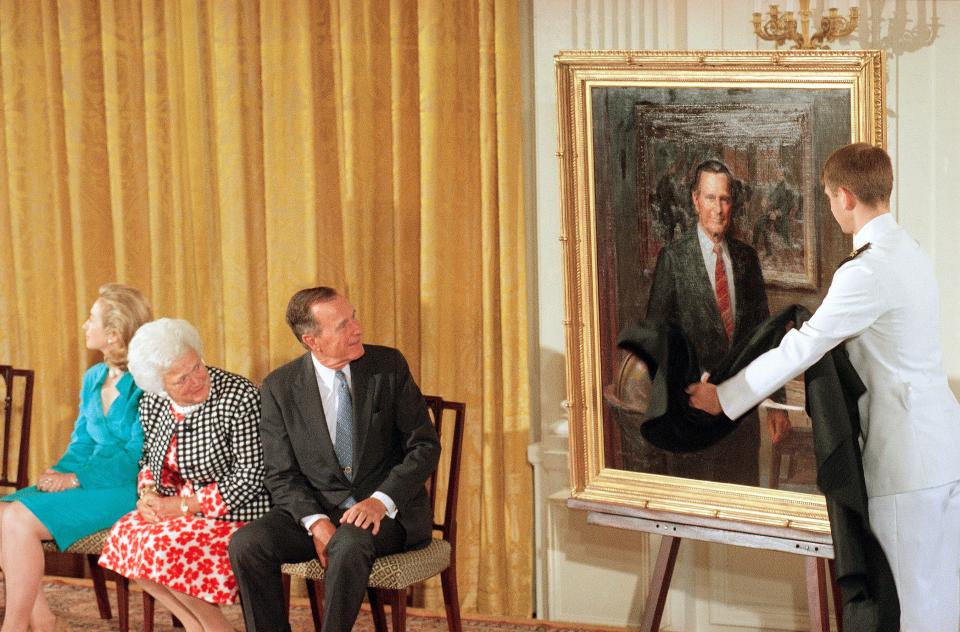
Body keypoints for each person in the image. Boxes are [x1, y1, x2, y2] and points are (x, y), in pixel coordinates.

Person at [688, 143, 960, 631]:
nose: (833, 209)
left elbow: (802, 351)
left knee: (909, 613)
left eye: (831, 199)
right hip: (943, 450)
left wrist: (723, 397)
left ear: (846, 195)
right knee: (942, 606)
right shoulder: (912, 252)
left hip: (904, 466)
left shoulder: (866, 271)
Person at [228, 286, 441, 632]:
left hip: (387, 514)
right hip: (321, 509)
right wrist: (315, 522)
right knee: (247, 544)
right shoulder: (279, 387)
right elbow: (280, 473)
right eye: (343, 325)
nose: (357, 328)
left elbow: (424, 446)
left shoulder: (387, 366)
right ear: (312, 340)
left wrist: (379, 501)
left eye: (353, 316)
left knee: (349, 541)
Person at [98, 318, 270, 632]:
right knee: (127, 533)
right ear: (160, 384)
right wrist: (148, 493)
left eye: (197, 367)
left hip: (238, 512)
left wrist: (182, 506)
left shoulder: (239, 397)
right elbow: (150, 458)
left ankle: (214, 627)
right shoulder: (153, 401)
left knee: (162, 547)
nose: (195, 380)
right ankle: (197, 625)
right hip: (183, 509)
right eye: (180, 379)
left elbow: (251, 476)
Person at [0, 283, 152, 632]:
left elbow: (135, 456)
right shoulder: (93, 377)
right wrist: (59, 471)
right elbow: (82, 440)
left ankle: (15, 625)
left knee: (20, 520)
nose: (85, 325)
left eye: (91, 318)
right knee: (2, 512)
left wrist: (75, 479)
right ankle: (43, 619)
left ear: (113, 335)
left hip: (124, 488)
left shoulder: (146, 385)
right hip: (85, 478)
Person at [643, 159, 790, 486]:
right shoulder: (674, 259)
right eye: (710, 198)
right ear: (696, 200)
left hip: (741, 418)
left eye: (724, 199)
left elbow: (768, 336)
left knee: (741, 515)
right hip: (692, 415)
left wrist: (777, 402)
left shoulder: (746, 259)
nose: (719, 208)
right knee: (695, 521)